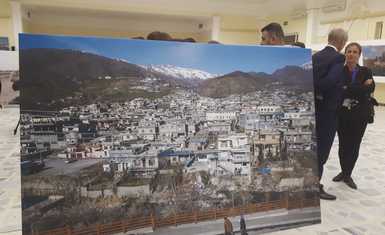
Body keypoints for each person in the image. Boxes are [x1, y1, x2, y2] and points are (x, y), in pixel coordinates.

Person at [332, 42, 375, 189]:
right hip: (343, 115)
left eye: (354, 52)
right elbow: (341, 90)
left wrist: (350, 88)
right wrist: (361, 87)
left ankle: (348, 174)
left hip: (360, 115)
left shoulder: (366, 70)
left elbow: (371, 88)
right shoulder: (340, 71)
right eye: (349, 51)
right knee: (343, 145)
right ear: (345, 54)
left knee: (354, 145)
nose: (351, 54)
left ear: (359, 54)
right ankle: (343, 171)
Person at [312, 28, 348, 200]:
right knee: (322, 151)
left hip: (314, 110)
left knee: (313, 149)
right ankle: (315, 187)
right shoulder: (339, 58)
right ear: (342, 43)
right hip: (327, 113)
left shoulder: (315, 56)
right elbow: (330, 81)